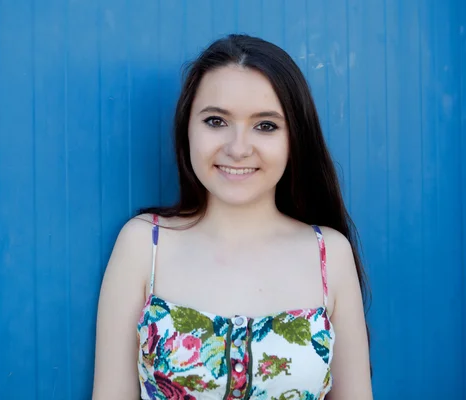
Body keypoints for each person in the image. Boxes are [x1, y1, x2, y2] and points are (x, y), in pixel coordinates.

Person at [92, 34, 372, 400]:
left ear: (294, 138)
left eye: (266, 125)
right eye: (215, 121)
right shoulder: (144, 245)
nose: (238, 148)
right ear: (186, 128)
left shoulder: (329, 255)